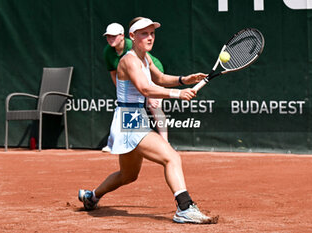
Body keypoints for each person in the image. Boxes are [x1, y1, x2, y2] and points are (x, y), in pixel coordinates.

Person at [79, 17, 219, 224]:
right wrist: (177, 94)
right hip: (129, 119)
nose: (150, 37)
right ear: (132, 37)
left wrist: (184, 80)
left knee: (128, 175)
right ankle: (185, 207)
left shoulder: (145, 58)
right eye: (144, 33)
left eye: (152, 33)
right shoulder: (129, 60)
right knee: (171, 157)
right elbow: (145, 88)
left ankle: (92, 196)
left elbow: (159, 78)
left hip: (133, 117)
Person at [102, 22, 168, 154]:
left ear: (122, 36)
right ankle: (117, 143)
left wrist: (148, 97)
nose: (110, 39)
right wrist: (122, 93)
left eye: (114, 36)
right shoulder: (108, 51)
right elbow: (114, 74)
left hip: (151, 73)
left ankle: (165, 142)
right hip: (136, 82)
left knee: (155, 107)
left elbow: (145, 82)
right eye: (108, 36)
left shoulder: (131, 48)